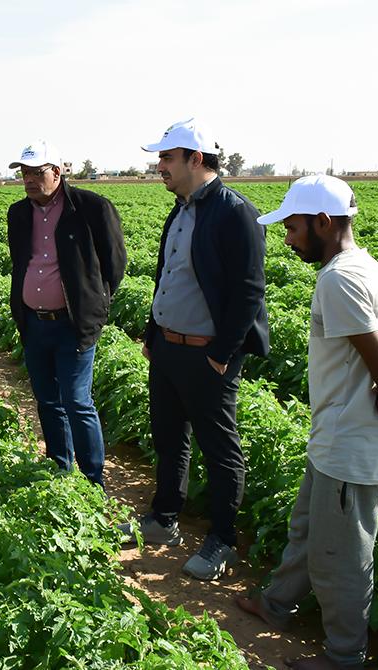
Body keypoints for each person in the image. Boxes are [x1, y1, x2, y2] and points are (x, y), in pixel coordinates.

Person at [237, 175, 378, 670]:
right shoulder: (368, 269)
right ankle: (276, 603)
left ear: (323, 222)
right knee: (307, 529)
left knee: (342, 560)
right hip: (336, 437)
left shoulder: (339, 280)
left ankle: (344, 656)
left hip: (351, 446)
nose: (288, 238)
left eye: (294, 227)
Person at [119, 118, 269, 581]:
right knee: (168, 437)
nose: (158, 166)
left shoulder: (235, 212)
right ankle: (164, 519)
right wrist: (153, 333)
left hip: (208, 354)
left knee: (219, 449)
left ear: (195, 159)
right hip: (168, 348)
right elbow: (168, 276)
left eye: (166, 158)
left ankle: (222, 540)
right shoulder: (181, 210)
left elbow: (249, 292)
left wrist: (222, 353)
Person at [6, 140, 126, 487]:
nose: (29, 179)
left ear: (57, 172)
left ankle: (92, 480)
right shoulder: (18, 213)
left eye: (37, 172)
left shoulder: (91, 207)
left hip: (72, 325)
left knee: (76, 401)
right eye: (24, 173)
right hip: (34, 323)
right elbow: (21, 262)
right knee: (47, 400)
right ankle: (60, 468)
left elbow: (114, 265)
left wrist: (94, 307)